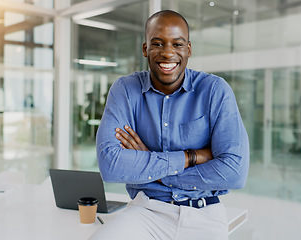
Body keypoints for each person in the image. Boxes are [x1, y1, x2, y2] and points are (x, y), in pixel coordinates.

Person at [90, 10, 249, 240]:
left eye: (177, 44)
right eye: (158, 43)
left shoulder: (215, 90)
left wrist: (154, 171)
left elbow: (234, 171)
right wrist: (189, 157)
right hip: (146, 211)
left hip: (204, 213)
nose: (167, 53)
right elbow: (111, 165)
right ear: (145, 48)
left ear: (189, 49)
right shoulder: (125, 90)